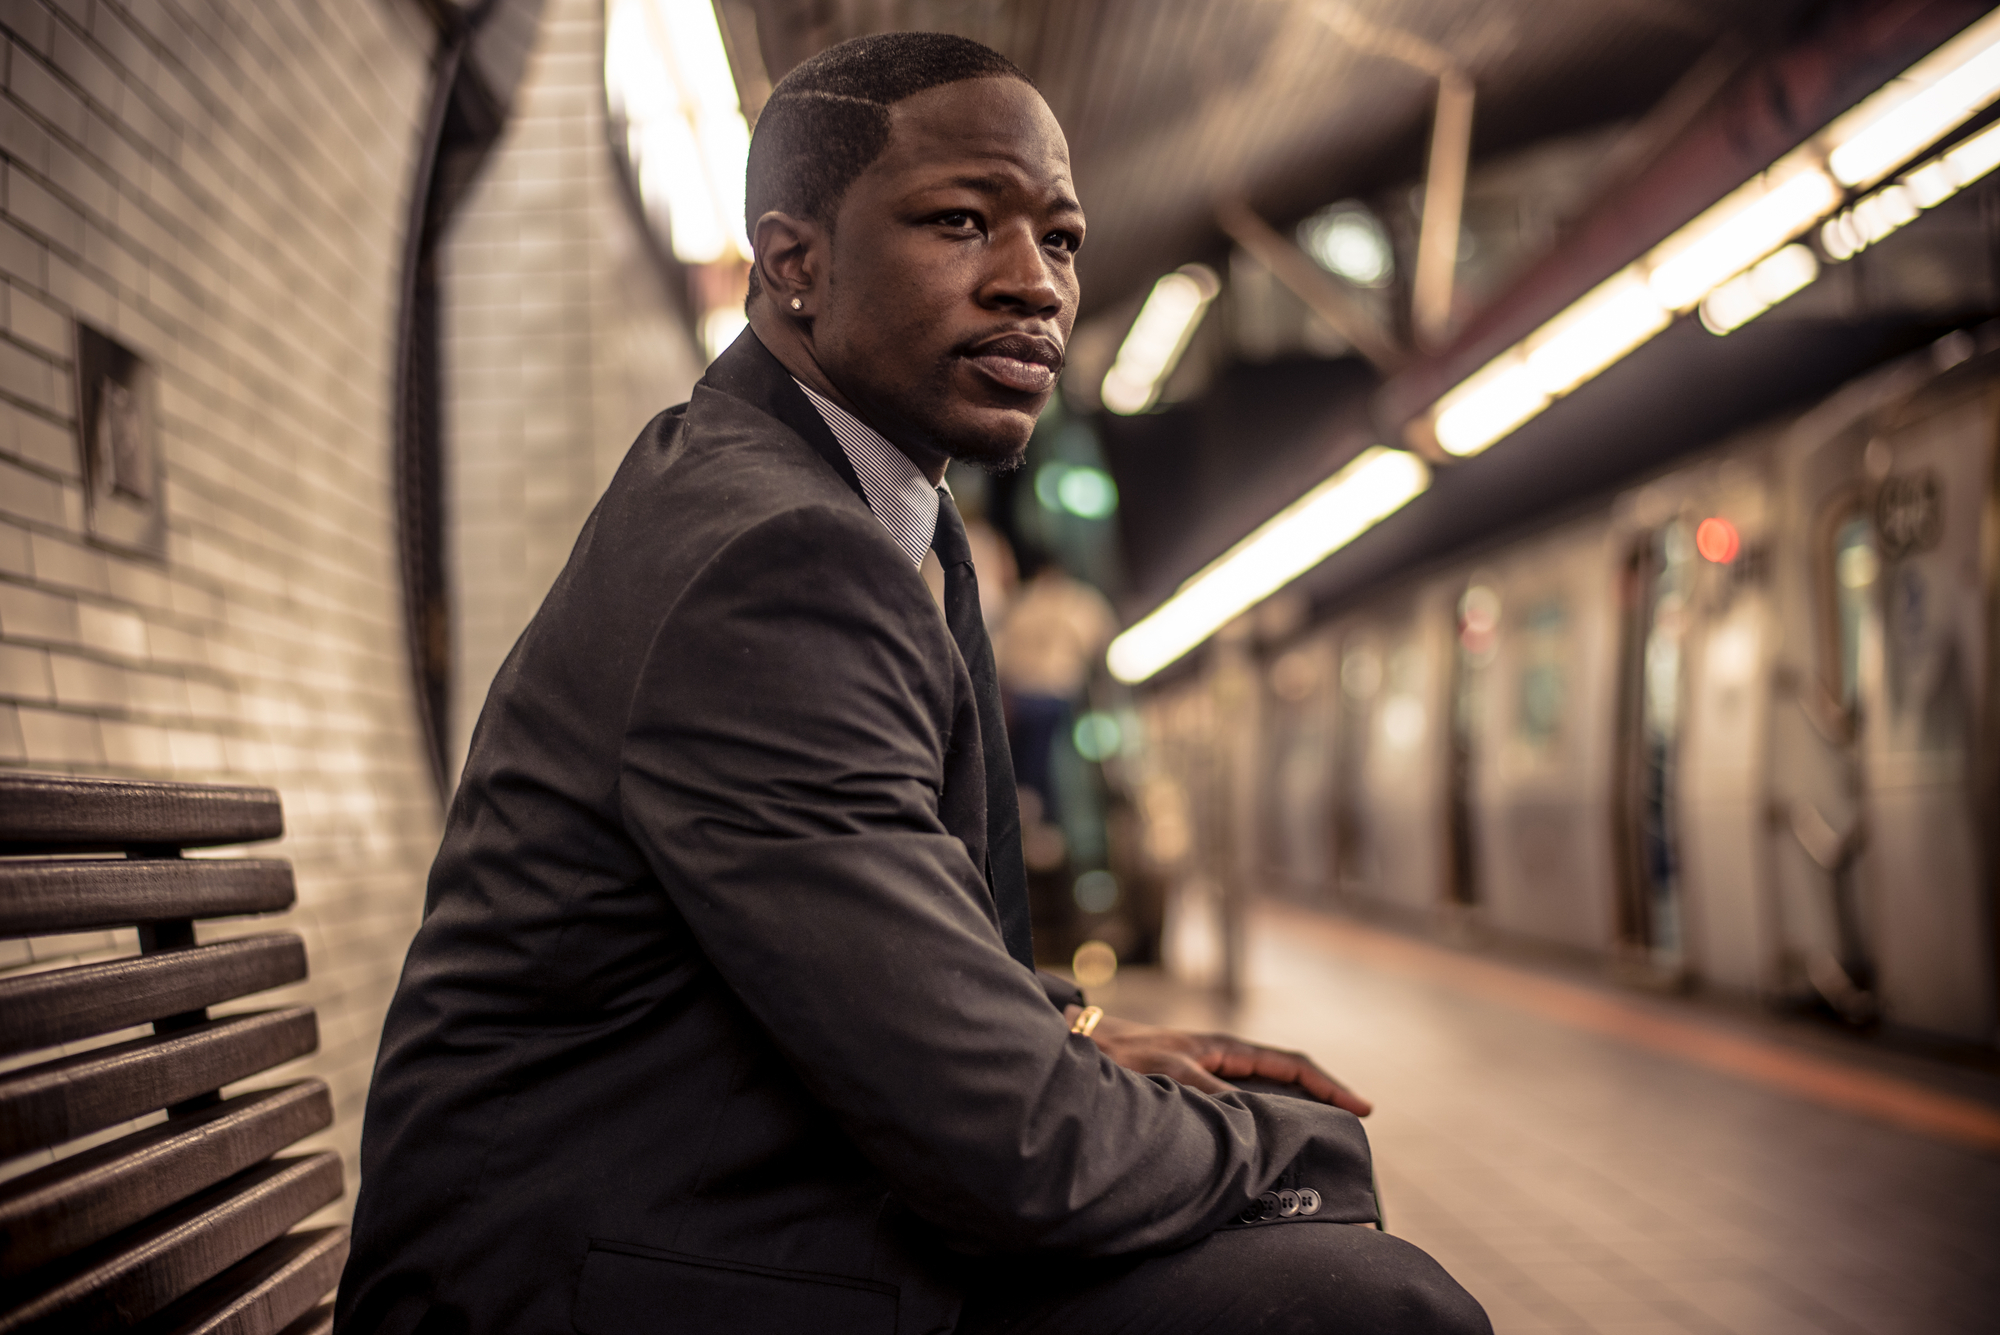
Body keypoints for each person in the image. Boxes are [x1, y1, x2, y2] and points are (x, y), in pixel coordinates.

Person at [336, 33, 1489, 1335]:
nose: (1032, 285)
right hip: (574, 1277)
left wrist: (1065, 1034)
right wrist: (1270, 1152)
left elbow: (868, 935)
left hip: (680, 1195)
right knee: (1363, 1304)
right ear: (795, 264)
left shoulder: (841, 506)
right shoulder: (776, 559)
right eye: (959, 222)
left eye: (1058, 239)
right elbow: (1022, 1157)